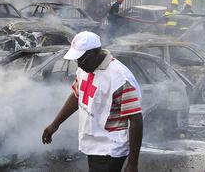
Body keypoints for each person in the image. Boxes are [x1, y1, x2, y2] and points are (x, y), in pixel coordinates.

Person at [42, 31, 143, 172]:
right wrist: (55, 124)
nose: (79, 65)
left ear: (96, 52)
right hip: (93, 144)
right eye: (76, 60)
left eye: (81, 59)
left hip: (110, 148)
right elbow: (78, 96)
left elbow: (136, 119)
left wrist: (133, 163)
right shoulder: (84, 69)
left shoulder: (119, 78)